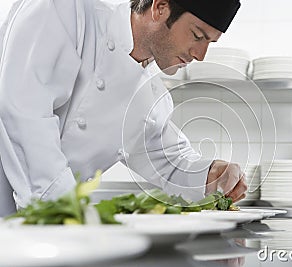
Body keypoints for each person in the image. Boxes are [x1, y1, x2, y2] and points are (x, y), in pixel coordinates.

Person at [0, 0, 247, 216]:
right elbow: (22, 110)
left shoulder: (148, 95)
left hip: (43, 225)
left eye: (210, 43)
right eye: (197, 35)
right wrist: (64, 206)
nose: (200, 55)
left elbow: (168, 160)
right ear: (160, 7)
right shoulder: (68, 13)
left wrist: (210, 174)